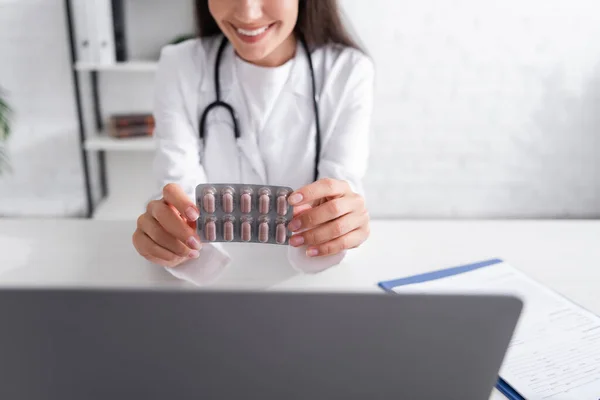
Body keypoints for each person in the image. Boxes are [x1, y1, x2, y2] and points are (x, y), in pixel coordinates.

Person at [132, 0, 374, 284]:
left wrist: (341, 223)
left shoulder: (347, 71)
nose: (248, 13)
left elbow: (340, 195)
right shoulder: (179, 64)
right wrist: (167, 233)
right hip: (206, 288)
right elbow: (177, 190)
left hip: (309, 284)